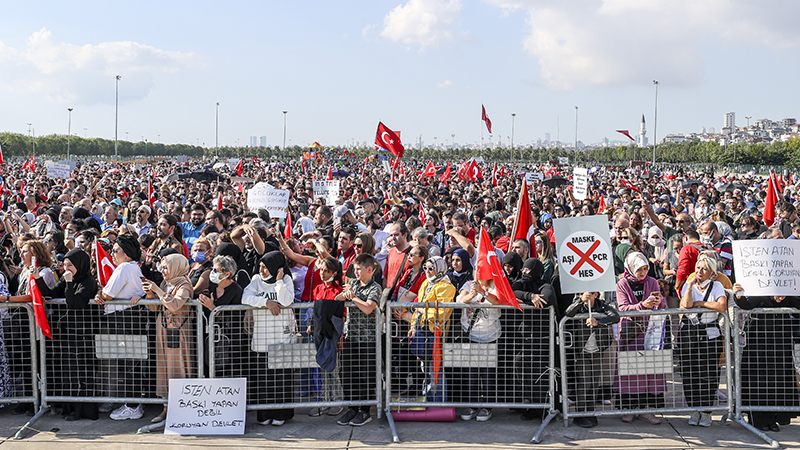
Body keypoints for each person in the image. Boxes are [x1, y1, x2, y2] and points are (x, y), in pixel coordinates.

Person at [34, 249, 99, 421]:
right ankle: (69, 409)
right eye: (65, 265)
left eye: (70, 265)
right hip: (66, 333)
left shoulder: (88, 281)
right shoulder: (66, 278)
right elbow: (52, 294)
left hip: (82, 334)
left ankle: (83, 411)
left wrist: (69, 283)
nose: (66, 268)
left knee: (83, 372)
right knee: (69, 371)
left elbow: (74, 303)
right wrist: (38, 278)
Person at [732, 284, 800, 432]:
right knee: (758, 378)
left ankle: (774, 417)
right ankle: (758, 418)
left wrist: (785, 296)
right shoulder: (760, 289)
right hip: (759, 340)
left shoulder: (789, 291)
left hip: (781, 340)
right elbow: (747, 304)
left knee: (777, 378)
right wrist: (738, 294)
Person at [93, 234, 148, 421]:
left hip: (123, 319)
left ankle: (132, 406)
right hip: (127, 318)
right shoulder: (132, 267)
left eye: (115, 250)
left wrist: (101, 293)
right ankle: (132, 403)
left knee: (128, 363)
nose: (112, 254)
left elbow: (108, 294)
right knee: (129, 362)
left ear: (126, 253)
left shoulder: (125, 267)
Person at [138, 253, 195, 423]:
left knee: (179, 366)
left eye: (166, 267)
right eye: (161, 267)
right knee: (164, 368)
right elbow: (156, 308)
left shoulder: (184, 284)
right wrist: (149, 295)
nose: (162, 271)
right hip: (162, 329)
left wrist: (157, 290)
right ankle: (166, 407)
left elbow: (175, 305)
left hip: (179, 332)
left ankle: (182, 407)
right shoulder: (165, 283)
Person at [242, 251, 296, 426]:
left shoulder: (286, 280)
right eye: (260, 266)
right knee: (264, 379)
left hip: (281, 338)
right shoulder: (256, 280)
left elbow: (287, 300)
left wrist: (279, 281)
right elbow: (245, 297)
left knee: (281, 379)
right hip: (262, 338)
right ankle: (265, 414)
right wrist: (266, 303)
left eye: (265, 267)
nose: (262, 270)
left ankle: (281, 415)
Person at [615, 251, 666, 425]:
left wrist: (659, 303)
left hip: (651, 333)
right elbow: (622, 307)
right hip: (631, 334)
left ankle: (646, 410)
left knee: (649, 372)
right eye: (639, 269)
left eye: (645, 268)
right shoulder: (622, 284)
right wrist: (642, 305)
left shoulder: (652, 282)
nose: (643, 273)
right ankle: (630, 409)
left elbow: (662, 303)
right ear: (630, 268)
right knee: (631, 372)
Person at [678, 255, 727, 428]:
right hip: (690, 333)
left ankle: (706, 411)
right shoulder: (689, 283)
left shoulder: (717, 285)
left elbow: (721, 305)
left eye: (704, 269)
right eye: (698, 268)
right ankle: (694, 408)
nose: (699, 272)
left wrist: (702, 303)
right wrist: (690, 287)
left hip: (709, 333)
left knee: (709, 372)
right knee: (689, 372)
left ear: (712, 273)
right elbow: (686, 304)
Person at [335, 253, 381, 427]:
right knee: (347, 373)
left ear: (369, 270)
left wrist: (353, 298)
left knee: (365, 375)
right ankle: (352, 408)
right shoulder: (353, 283)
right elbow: (338, 298)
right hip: (351, 336)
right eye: (354, 269)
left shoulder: (374, 287)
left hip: (368, 339)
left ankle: (364, 410)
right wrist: (345, 294)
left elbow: (369, 308)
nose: (355, 273)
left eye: (359, 269)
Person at [564, 291, 620, 428]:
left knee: (594, 383)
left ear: (596, 294)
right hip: (582, 351)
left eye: (591, 293)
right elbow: (568, 312)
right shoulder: (578, 305)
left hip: (597, 351)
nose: (587, 295)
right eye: (582, 293)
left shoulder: (602, 305)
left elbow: (615, 316)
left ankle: (590, 412)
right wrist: (580, 301)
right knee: (584, 383)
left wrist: (598, 322)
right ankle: (580, 414)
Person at [405, 256, 456, 402]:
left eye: (431, 268)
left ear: (439, 269)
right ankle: (428, 397)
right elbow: (419, 307)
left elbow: (441, 314)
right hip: (422, 330)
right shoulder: (426, 283)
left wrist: (422, 310)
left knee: (436, 369)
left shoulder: (447, 287)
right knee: (425, 368)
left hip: (436, 333)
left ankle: (439, 400)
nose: (427, 271)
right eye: (425, 268)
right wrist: (413, 326)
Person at [456, 276, 502, 422]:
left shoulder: (496, 286)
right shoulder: (469, 284)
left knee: (487, 374)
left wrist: (483, 292)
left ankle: (487, 406)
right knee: (472, 374)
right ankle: (473, 405)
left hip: (489, 337)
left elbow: (498, 301)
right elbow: (460, 300)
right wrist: (472, 295)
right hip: (472, 336)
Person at [198, 255, 245, 379]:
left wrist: (212, 307)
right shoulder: (212, 286)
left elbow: (234, 317)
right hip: (210, 336)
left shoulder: (236, 290)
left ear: (226, 274)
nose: (212, 272)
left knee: (225, 371)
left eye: (216, 270)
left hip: (229, 340)